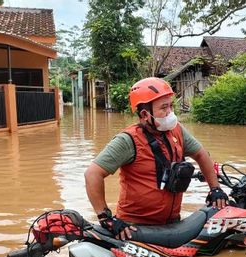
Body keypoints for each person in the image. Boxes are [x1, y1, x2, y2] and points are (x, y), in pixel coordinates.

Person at [84, 77, 228, 240]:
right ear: (145, 114)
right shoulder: (128, 140)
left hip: (171, 225)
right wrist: (106, 218)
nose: (170, 112)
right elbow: (93, 174)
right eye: (164, 108)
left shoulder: (177, 130)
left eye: (171, 106)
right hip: (134, 228)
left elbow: (202, 155)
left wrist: (215, 189)